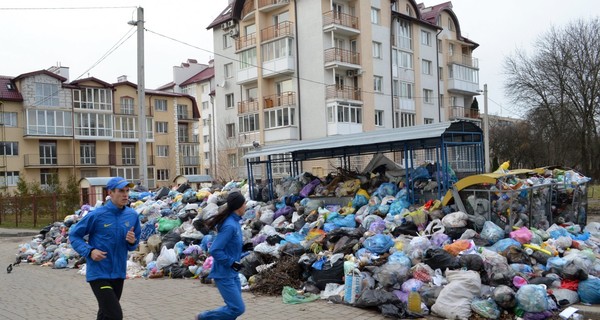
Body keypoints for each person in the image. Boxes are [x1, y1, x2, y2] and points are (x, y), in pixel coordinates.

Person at [69, 177, 141, 320]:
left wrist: (132, 242)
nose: (125, 194)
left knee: (105, 315)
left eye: (127, 191)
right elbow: (74, 235)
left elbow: (133, 244)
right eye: (121, 191)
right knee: (115, 315)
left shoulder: (132, 215)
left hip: (118, 273)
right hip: (99, 273)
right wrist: (89, 251)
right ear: (110, 192)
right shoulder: (97, 215)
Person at [196, 191, 247, 320]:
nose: (246, 206)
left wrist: (243, 247)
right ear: (239, 206)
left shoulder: (235, 222)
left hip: (232, 273)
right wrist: (231, 262)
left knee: (233, 310)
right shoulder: (230, 225)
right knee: (237, 308)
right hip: (224, 274)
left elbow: (229, 245)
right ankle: (203, 317)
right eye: (244, 204)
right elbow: (215, 249)